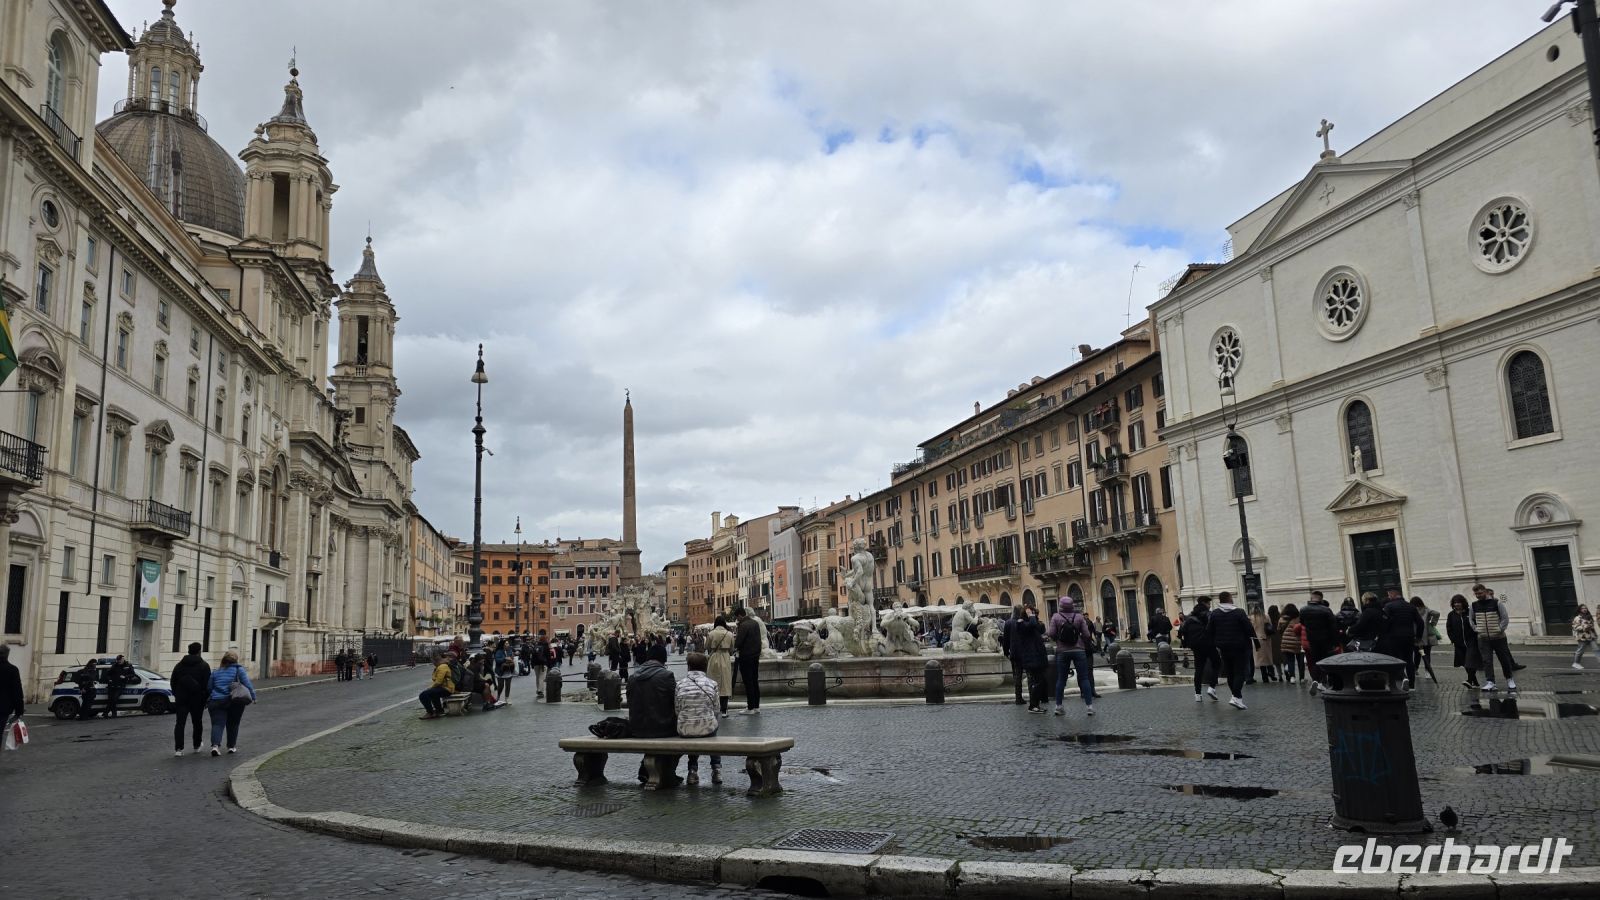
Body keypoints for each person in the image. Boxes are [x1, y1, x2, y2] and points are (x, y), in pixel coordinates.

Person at [675, 652, 722, 785]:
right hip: (707, 728)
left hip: (685, 729)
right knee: (713, 730)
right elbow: (717, 709)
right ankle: (716, 769)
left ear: (688, 666)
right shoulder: (712, 684)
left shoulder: (679, 684)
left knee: (692, 728)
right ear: (705, 667)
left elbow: (677, 709)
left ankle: (692, 771)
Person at [1206, 591, 1257, 710]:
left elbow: (1209, 630)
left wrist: (1215, 642)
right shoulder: (1239, 612)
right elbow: (1249, 628)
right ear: (1229, 599)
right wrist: (1255, 641)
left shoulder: (1215, 613)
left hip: (1223, 647)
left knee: (1230, 672)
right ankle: (1236, 697)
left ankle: (1236, 697)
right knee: (1240, 672)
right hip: (1239, 647)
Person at [1047, 598, 1096, 716]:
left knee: (1061, 679)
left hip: (1062, 651)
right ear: (1072, 606)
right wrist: (1079, 638)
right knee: (1084, 678)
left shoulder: (1056, 617)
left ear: (1060, 606)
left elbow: (1051, 633)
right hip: (1079, 650)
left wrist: (1059, 639)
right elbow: (1087, 634)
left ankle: (1058, 706)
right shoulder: (1079, 617)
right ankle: (1089, 707)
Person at [206, 651, 255, 755]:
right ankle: (231, 747)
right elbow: (247, 684)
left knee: (217, 724)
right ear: (235, 660)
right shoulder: (239, 670)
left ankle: (215, 746)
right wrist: (253, 696)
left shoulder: (215, 672)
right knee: (233, 724)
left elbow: (209, 687)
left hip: (216, 700)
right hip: (234, 701)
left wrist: (215, 694)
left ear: (223, 660)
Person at [1470, 583, 1516, 691]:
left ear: (1485, 591)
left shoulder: (1497, 603)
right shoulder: (1473, 605)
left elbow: (1505, 618)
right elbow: (1471, 619)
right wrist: (1476, 629)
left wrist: (1499, 629)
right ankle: (1490, 682)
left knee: (1504, 659)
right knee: (1487, 661)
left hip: (1499, 638)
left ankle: (1509, 679)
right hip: (1483, 638)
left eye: (1480, 593)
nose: (1478, 595)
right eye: (1476, 594)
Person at [170, 643, 211, 756]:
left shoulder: (179, 665)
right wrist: (205, 697)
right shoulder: (204, 666)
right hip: (197, 699)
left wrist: (177, 694)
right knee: (197, 722)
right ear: (199, 651)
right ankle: (196, 745)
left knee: (180, 723)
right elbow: (207, 684)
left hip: (181, 698)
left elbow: (173, 682)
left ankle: (178, 749)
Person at [1376, 587, 1423, 687]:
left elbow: (1384, 622)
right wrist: (1418, 637)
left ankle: (1402, 678)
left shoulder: (1389, 606)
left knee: (1396, 659)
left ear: (1392, 594)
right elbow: (1420, 622)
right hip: (1409, 637)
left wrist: (1384, 634)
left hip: (1394, 637)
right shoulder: (1411, 607)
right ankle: (1412, 685)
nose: (1388, 597)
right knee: (1409, 660)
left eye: (1389, 595)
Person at [1178, 596, 1218, 702]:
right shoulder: (1209, 614)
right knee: (1217, 663)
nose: (1210, 605)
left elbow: (1181, 631)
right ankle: (1212, 687)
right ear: (1205, 603)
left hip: (1196, 646)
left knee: (1199, 669)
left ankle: (1198, 694)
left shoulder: (1190, 616)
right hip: (1208, 644)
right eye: (1209, 603)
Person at [1010, 604, 1049, 712]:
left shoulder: (1032, 624)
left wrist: (1034, 617)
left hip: (1037, 657)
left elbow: (1040, 628)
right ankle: (1033, 706)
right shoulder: (1021, 624)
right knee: (1037, 681)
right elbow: (1032, 624)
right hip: (1032, 658)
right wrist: (1030, 615)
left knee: (1039, 681)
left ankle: (1035, 704)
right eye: (1032, 613)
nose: (1034, 615)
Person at [1298, 592, 1339, 693]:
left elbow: (1302, 623)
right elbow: (1333, 627)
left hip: (1312, 639)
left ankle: (1317, 680)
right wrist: (1335, 642)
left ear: (1311, 598)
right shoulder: (1326, 610)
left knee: (1316, 661)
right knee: (1327, 661)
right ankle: (1327, 682)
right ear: (1321, 599)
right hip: (1326, 640)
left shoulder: (1303, 610)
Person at [1445, 594, 1481, 689]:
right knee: (1465, 663)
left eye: (1459, 602)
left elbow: (1476, 623)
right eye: (1455, 603)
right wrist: (1453, 639)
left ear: (1463, 603)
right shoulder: (1451, 614)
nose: (1457, 604)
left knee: (1470, 662)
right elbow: (1449, 628)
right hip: (1459, 643)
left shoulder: (1470, 612)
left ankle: (1469, 680)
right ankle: (1474, 682)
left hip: (1471, 641)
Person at [734, 607, 762, 714]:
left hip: (746, 656)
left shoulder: (743, 625)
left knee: (748, 682)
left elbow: (738, 642)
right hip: (755, 656)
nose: (737, 620)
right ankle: (756, 706)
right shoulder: (755, 623)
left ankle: (750, 708)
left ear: (740, 616)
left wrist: (736, 646)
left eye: (737, 618)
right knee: (755, 681)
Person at [706, 616, 735, 718]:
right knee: (725, 684)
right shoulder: (729, 634)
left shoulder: (711, 633)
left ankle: (714, 708)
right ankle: (724, 710)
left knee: (713, 683)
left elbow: (707, 646)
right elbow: (732, 648)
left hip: (714, 657)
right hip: (725, 658)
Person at [1411, 597, 1440, 684]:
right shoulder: (1426, 610)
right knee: (1427, 655)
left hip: (1416, 635)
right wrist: (1433, 623)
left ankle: (1415, 669)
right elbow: (1437, 613)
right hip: (1426, 636)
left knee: (1417, 655)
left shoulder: (1412, 610)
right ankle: (1427, 672)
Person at [419, 652, 456, 719]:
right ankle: (439, 711)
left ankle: (430, 713)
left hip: (447, 688)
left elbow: (438, 682)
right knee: (433, 693)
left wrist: (430, 688)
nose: (433, 664)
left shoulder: (442, 667)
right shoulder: (440, 666)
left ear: (436, 661)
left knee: (423, 695)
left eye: (433, 662)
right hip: (445, 687)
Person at [1001, 607, 1025, 705]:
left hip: (1014, 652)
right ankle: (1034, 697)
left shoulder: (1008, 623)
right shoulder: (1024, 622)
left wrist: (1006, 652)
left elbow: (1005, 640)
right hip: (1026, 652)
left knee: (1017, 675)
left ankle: (1018, 697)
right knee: (1030, 675)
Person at [1277, 605, 1305, 685]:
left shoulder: (1282, 619)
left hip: (1286, 641)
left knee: (1290, 660)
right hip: (1298, 642)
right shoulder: (1298, 618)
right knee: (1300, 661)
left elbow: (1279, 630)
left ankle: (1292, 677)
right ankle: (1302, 678)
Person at [0, 645, 23, 737]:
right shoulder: (12, 670)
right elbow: (17, 692)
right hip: (3, 709)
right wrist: (19, 711)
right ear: (7, 655)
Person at [1573, 605, 1598, 670]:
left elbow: (1592, 626)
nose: (1584, 609)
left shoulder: (1589, 617)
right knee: (1581, 650)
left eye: (1585, 608)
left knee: (1596, 649)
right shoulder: (1577, 618)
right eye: (1582, 608)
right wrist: (1585, 627)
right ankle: (1576, 663)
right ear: (1580, 610)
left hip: (1591, 636)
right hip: (1582, 637)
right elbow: (1575, 627)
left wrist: (1591, 627)